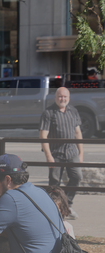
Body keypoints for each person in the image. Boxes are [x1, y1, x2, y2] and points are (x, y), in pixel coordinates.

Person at [39, 87, 83, 220]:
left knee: (77, 177)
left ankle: (67, 205)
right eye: (60, 96)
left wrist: (81, 152)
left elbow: (77, 132)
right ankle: (53, 209)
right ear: (55, 97)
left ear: (68, 98)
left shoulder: (73, 111)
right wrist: (48, 155)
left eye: (65, 97)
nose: (62, 99)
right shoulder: (48, 113)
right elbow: (43, 135)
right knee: (54, 182)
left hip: (71, 152)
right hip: (55, 152)